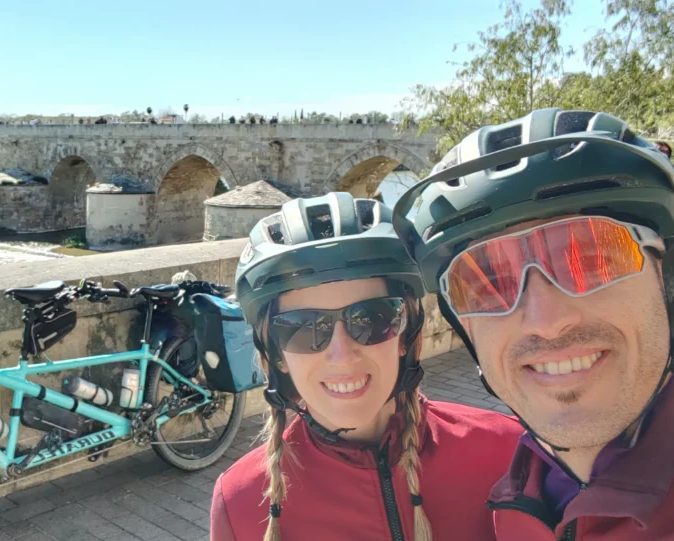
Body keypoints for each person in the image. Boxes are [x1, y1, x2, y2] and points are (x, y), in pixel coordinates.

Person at [391, 108, 674, 540]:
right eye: (486, 282)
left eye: (593, 258)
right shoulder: (517, 498)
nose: (546, 321)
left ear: (671, 280)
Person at [210, 192, 522, 541]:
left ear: (406, 334)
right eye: (302, 327)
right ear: (277, 354)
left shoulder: (508, 453)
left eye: (372, 319)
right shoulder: (239, 502)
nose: (343, 355)